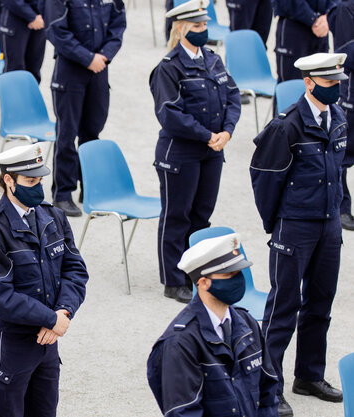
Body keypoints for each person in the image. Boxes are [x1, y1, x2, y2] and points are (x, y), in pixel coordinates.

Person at [249, 52, 348, 416]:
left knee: (320, 304)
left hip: (328, 225)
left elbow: (338, 172)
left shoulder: (337, 117)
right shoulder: (286, 126)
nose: (335, 89)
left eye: (338, 83)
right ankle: (268, 385)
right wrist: (276, 223)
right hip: (295, 226)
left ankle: (308, 374)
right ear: (309, 83)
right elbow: (264, 179)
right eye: (328, 84)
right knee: (283, 307)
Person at [0, 143, 89, 417]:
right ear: (8, 180)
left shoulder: (53, 217)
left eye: (40, 180)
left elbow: (75, 270)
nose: (37, 187)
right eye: (30, 181)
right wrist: (49, 319)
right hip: (11, 350)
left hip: (47, 347)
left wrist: (63, 312)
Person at [150, 0, 241, 304]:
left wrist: (226, 132)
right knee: (177, 216)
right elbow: (169, 114)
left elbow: (232, 96)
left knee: (202, 215)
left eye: (205, 25)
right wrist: (208, 135)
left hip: (212, 150)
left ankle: (195, 272)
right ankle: (173, 280)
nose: (204, 30)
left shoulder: (213, 60)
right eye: (198, 25)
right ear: (181, 28)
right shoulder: (168, 68)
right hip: (181, 153)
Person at [146, 233, 280, 416]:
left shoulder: (248, 324)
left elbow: (268, 394)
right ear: (203, 282)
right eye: (229, 274)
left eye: (238, 272)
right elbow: (184, 412)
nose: (238, 280)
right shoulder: (180, 343)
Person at [44, 0, 126, 217]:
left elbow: (118, 25)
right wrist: (87, 58)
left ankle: (89, 189)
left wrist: (104, 56)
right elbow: (55, 30)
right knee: (67, 133)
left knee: (92, 131)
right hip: (70, 70)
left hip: (99, 70)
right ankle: (63, 193)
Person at [329, 0, 354, 230]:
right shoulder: (346, 8)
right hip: (351, 98)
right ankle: (342, 207)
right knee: (342, 157)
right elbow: (345, 54)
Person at [273, 0, 335, 82]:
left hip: (321, 28)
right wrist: (313, 20)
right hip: (294, 26)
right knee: (292, 85)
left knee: (320, 86)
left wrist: (328, 15)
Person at [0, 0, 45, 83]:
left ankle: (29, 95)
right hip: (15, 20)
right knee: (14, 72)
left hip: (40, 21)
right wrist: (32, 17)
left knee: (33, 72)